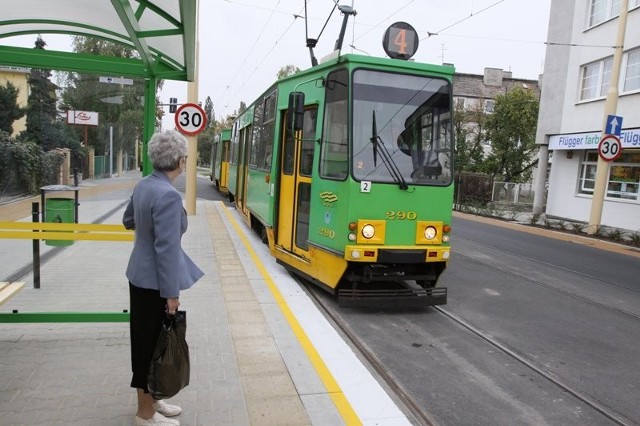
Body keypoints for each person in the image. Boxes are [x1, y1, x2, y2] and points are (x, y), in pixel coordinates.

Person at [123, 129, 204, 426]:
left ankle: (153, 400)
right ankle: (144, 414)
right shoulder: (168, 195)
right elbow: (167, 250)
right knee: (150, 347)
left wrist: (146, 232)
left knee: (147, 343)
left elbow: (128, 220)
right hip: (155, 283)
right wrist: (172, 295)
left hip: (137, 276)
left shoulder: (144, 185)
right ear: (181, 161)